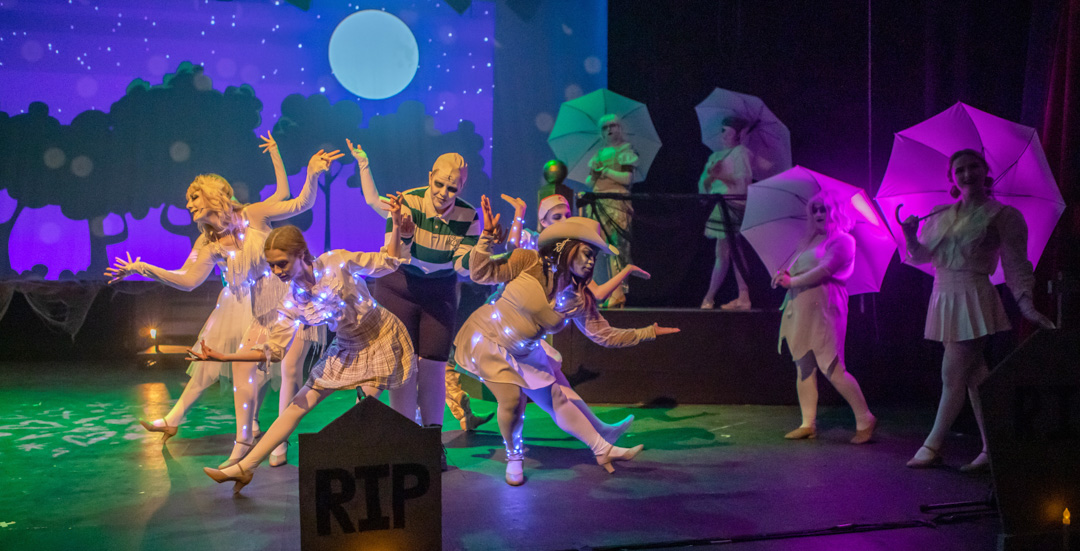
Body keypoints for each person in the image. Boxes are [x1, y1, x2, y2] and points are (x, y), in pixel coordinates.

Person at [107, 137, 339, 468]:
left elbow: (299, 203)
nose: (188, 205)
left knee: (289, 371)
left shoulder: (253, 215)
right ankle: (244, 438)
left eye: (194, 197)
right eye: (187, 200)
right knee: (241, 370)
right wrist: (143, 268)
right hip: (255, 305)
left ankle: (280, 440)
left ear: (214, 194)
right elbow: (188, 280)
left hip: (289, 298)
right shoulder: (207, 240)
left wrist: (313, 173)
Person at [453, 201, 680, 485]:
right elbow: (480, 274)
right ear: (569, 248)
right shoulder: (528, 261)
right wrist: (486, 238)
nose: (591, 262)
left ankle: (602, 448)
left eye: (594, 257)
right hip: (488, 339)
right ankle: (514, 455)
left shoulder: (578, 298)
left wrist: (647, 332)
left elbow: (604, 335)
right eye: (587, 253)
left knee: (559, 397)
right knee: (513, 400)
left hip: (525, 350)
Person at [196, 212, 415, 494]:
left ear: (301, 255)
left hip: (381, 337)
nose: (277, 271)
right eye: (272, 266)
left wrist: (397, 228)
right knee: (297, 405)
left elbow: (387, 262)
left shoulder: (337, 262)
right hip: (347, 346)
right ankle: (246, 467)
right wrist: (225, 358)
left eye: (282, 263)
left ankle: (372, 482)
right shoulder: (292, 300)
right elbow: (274, 351)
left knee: (365, 414)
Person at [901, 149, 1055, 471]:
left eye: (973, 167)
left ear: (985, 170)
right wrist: (910, 236)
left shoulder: (1002, 215)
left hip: (974, 295)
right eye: (960, 170)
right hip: (943, 294)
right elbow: (921, 257)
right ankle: (993, 448)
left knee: (951, 374)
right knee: (975, 379)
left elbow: (1016, 264)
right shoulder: (940, 213)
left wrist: (1026, 304)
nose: (967, 174)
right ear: (952, 178)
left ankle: (932, 445)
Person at [351, 142, 483, 442]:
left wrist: (484, 248)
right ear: (430, 177)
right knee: (400, 365)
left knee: (434, 367)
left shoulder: (469, 216)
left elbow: (463, 266)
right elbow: (394, 256)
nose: (443, 193)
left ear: (462, 186)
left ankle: (431, 442)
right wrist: (405, 233)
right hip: (400, 286)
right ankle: (404, 439)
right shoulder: (408, 203)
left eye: (453, 187)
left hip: (439, 293)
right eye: (439, 184)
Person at [499, 192, 649, 442]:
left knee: (556, 389)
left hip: (528, 336)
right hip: (507, 328)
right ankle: (516, 451)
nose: (564, 219)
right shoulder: (533, 243)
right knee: (533, 395)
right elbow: (511, 250)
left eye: (567, 215)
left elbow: (596, 293)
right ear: (543, 222)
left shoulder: (572, 257)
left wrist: (627, 271)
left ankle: (600, 433)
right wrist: (518, 215)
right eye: (556, 216)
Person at [773, 191, 875, 443]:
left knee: (832, 367)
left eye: (824, 209)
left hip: (826, 305)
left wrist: (792, 281)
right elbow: (798, 269)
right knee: (803, 365)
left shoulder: (844, 240)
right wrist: (784, 275)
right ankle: (808, 423)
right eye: (815, 209)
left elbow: (825, 270)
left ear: (836, 211)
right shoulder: (807, 241)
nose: (819, 213)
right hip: (801, 306)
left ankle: (865, 418)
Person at [699, 116, 754, 311]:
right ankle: (741, 295)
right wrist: (710, 177)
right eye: (722, 130)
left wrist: (719, 175)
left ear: (737, 134)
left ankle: (711, 297)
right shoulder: (715, 156)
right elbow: (704, 186)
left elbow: (744, 183)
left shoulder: (741, 152)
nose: (723, 134)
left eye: (726, 131)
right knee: (727, 252)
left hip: (733, 205)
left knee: (727, 251)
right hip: (719, 205)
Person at [584, 114, 639, 308]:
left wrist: (606, 171)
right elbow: (589, 182)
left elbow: (627, 179)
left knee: (617, 248)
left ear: (619, 128)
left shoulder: (625, 150)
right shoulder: (598, 154)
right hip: (599, 203)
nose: (609, 130)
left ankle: (618, 293)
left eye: (613, 126)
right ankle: (603, 291)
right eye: (604, 127)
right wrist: (596, 171)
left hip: (617, 201)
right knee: (600, 248)